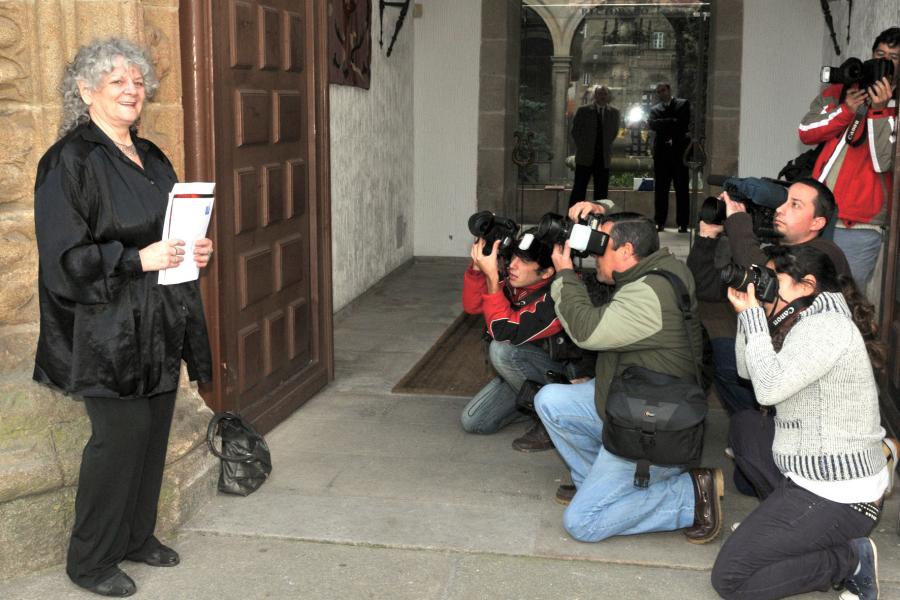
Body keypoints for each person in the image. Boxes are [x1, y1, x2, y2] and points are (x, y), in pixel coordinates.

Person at [33, 38, 214, 597]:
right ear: (86, 92)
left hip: (159, 320)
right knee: (117, 442)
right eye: (118, 82)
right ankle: (89, 561)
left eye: (138, 82)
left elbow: (170, 233)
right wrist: (138, 258)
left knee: (153, 434)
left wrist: (193, 250)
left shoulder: (153, 156)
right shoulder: (69, 160)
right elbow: (64, 261)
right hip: (104, 329)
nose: (132, 90)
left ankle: (136, 537)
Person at [534, 211, 725, 544]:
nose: (594, 257)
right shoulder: (656, 268)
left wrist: (564, 273)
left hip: (650, 427)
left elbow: (586, 330)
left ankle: (690, 493)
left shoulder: (649, 293)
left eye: (601, 249)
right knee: (551, 401)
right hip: (628, 403)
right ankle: (594, 485)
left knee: (583, 522)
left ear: (626, 252)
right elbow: (629, 224)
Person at [711, 245, 889, 600]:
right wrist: (753, 316)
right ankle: (791, 534)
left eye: (774, 280)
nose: (765, 287)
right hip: (807, 477)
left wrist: (751, 318)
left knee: (731, 579)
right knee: (747, 429)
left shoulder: (827, 327)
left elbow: (769, 389)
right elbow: (749, 371)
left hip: (840, 494)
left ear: (806, 286)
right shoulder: (802, 321)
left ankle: (851, 559)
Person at [798, 26, 899, 290]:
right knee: (806, 293)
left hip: (859, 223)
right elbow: (806, 132)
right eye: (880, 53)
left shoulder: (894, 106)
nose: (884, 61)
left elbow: (883, 162)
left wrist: (879, 111)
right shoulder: (843, 90)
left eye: (894, 57)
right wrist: (846, 110)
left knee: (845, 298)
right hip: (818, 214)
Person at [460, 233, 563, 451]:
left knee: (502, 350)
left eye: (524, 261)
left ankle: (554, 420)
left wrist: (492, 280)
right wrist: (479, 270)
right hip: (526, 371)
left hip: (561, 377)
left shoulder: (558, 295)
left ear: (546, 272)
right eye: (514, 257)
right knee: (474, 422)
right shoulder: (516, 284)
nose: (513, 266)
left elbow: (504, 332)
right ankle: (528, 401)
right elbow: (472, 306)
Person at [647, 82, 691, 233]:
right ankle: (659, 221)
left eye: (663, 90)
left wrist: (664, 123)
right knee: (661, 190)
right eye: (658, 92)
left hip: (679, 154)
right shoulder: (655, 109)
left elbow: (683, 124)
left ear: (669, 90)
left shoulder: (683, 104)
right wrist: (672, 121)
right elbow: (652, 124)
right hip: (661, 156)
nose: (661, 93)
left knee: (682, 190)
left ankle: (683, 223)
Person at [569, 85, 620, 207]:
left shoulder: (614, 113)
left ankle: (599, 220)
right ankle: (572, 219)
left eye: (605, 94)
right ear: (595, 96)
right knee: (579, 190)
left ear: (608, 96)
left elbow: (614, 132)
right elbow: (575, 132)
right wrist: (584, 147)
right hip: (585, 157)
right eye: (600, 93)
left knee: (602, 193)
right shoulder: (583, 111)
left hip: (603, 158)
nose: (602, 96)